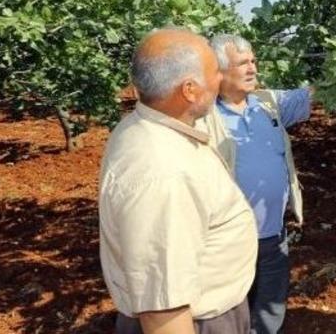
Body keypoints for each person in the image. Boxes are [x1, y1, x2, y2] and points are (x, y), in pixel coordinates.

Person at [99, 29, 258, 334]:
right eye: (214, 72)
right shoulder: (163, 172)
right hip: (198, 323)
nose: (220, 80)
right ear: (189, 90)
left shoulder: (149, 128)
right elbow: (164, 308)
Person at [198, 34, 311, 334]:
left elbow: (311, 94)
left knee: (270, 309)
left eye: (253, 61)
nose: (252, 69)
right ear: (220, 71)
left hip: (273, 235)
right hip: (227, 242)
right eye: (242, 63)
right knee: (227, 315)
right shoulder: (202, 118)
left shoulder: (268, 103)